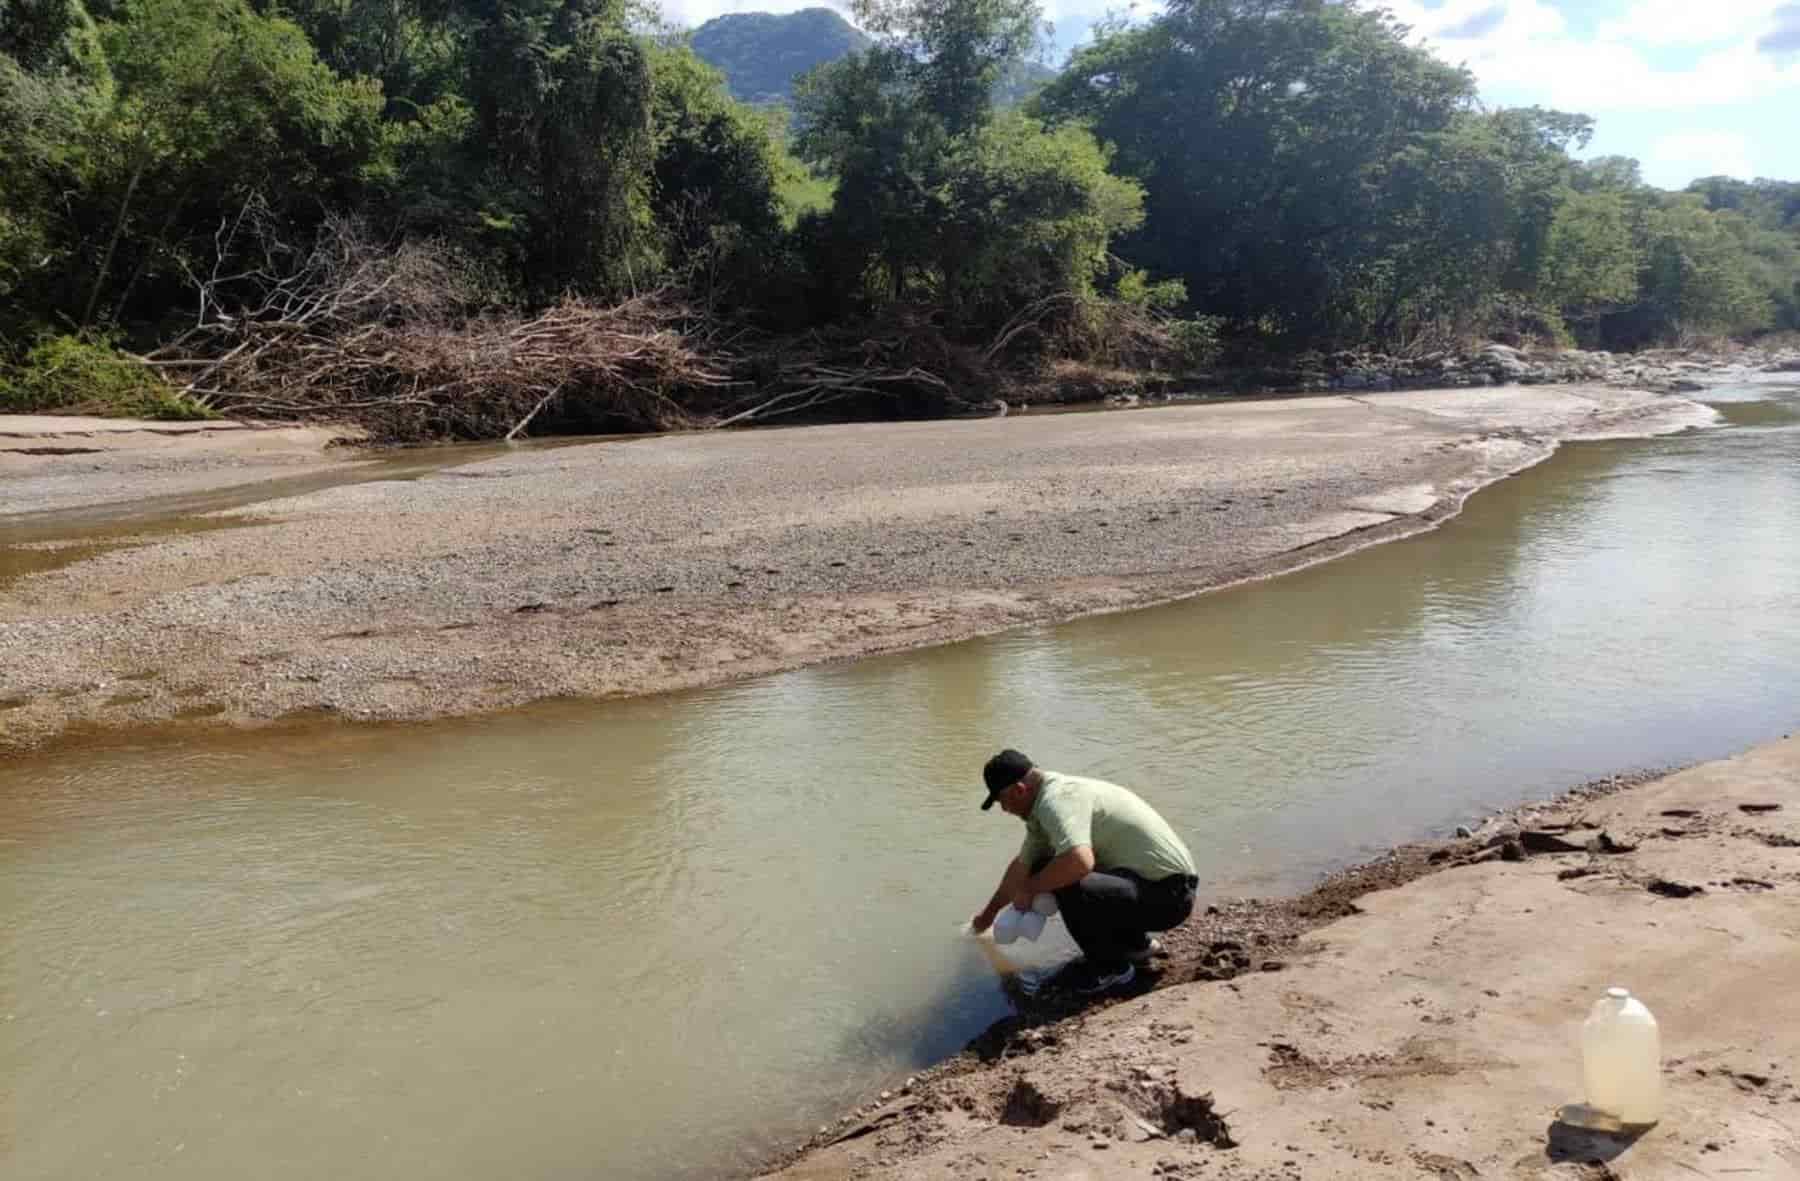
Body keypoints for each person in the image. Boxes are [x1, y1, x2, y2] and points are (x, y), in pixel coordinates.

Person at [970, 749, 1198, 995]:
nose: (1004, 809)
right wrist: (987, 917)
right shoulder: (1044, 805)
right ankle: (1135, 946)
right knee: (1044, 867)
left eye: (1001, 801)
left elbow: (1079, 862)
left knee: (1066, 876)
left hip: (1169, 898)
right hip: (1158, 889)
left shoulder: (1057, 801)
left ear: (1019, 790)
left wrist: (1030, 889)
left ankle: (1110, 969)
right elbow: (1021, 868)